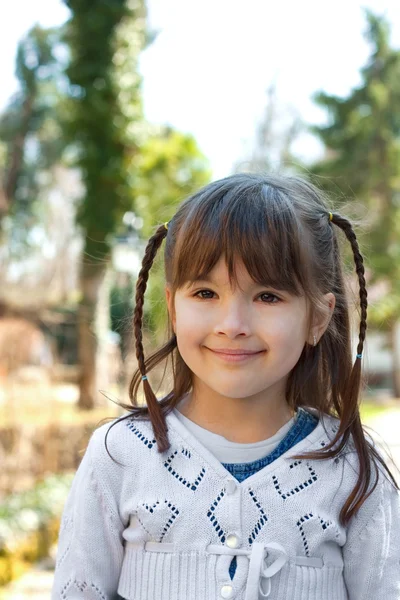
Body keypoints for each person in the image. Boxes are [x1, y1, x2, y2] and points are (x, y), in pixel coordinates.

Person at [51, 173, 400, 600]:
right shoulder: (120, 456)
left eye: (268, 296)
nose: (232, 326)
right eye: (204, 292)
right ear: (174, 308)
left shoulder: (354, 472)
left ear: (317, 318)